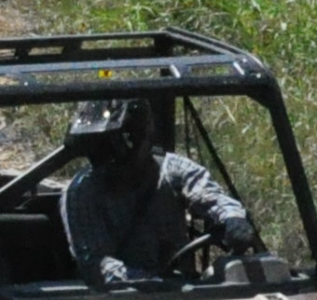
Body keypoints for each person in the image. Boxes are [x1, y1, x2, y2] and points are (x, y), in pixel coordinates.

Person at [59, 98, 259, 288]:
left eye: (118, 147)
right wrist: (150, 282)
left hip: (187, 291)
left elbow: (209, 193)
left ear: (143, 138)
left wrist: (233, 219)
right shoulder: (80, 194)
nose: (111, 161)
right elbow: (95, 263)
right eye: (101, 151)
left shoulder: (172, 169)